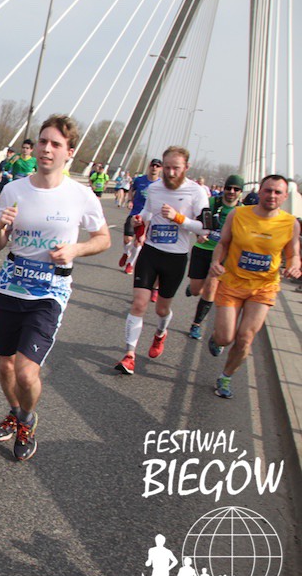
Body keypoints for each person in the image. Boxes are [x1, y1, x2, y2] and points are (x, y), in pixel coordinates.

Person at [0, 114, 110, 461]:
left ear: (69, 152)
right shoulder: (13, 190)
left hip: (49, 293)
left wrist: (76, 249)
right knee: (6, 367)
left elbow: (103, 238)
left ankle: (27, 420)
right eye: (42, 141)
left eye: (56, 144)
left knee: (26, 372)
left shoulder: (81, 196)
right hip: (9, 287)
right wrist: (0, 227)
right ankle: (15, 412)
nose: (46, 149)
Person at [114, 146, 210, 375]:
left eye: (175, 168)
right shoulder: (155, 188)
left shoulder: (196, 192)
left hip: (175, 257)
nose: (170, 173)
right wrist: (139, 220)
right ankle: (129, 355)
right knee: (139, 303)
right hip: (151, 252)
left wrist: (179, 218)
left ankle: (160, 333)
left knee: (162, 309)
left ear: (186, 167)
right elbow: (148, 212)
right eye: (166, 167)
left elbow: (205, 228)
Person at [207, 174, 300, 398]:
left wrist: (295, 267)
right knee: (226, 337)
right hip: (232, 283)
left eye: (278, 192)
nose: (272, 195)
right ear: (259, 191)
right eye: (268, 190)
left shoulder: (291, 223)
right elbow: (224, 243)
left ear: (285, 197)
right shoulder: (239, 214)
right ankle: (217, 338)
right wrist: (216, 262)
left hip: (264, 287)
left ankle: (226, 377)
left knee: (245, 338)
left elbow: (293, 255)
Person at [185, 174, 243, 340]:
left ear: (241, 192)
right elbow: (196, 220)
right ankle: (194, 287)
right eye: (229, 188)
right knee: (196, 290)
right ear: (224, 188)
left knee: (211, 288)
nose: (231, 192)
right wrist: (199, 234)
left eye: (236, 189)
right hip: (203, 249)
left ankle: (196, 325)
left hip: (222, 254)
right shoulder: (211, 203)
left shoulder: (242, 211)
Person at [119, 159, 163, 274]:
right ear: (149, 166)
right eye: (153, 165)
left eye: (157, 166)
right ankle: (126, 252)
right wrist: (130, 200)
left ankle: (130, 264)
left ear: (161, 169)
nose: (154, 168)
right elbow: (131, 190)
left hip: (148, 217)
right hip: (135, 213)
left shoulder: (161, 185)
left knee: (138, 241)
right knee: (127, 238)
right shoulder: (139, 180)